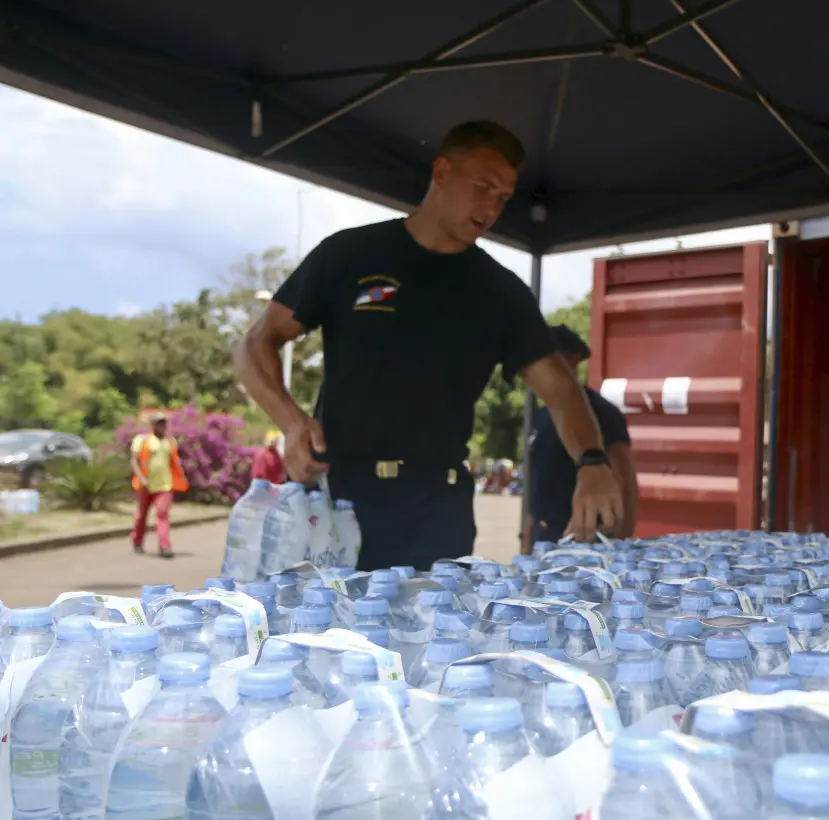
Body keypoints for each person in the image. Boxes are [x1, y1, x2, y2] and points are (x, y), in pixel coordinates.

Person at [234, 120, 623, 573]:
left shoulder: (500, 292)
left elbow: (561, 390)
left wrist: (593, 461)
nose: (492, 206)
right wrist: (292, 423)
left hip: (437, 512)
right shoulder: (351, 255)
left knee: (433, 641)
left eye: (503, 197)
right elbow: (256, 342)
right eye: (482, 187)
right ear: (441, 172)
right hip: (337, 501)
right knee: (318, 639)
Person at [524, 325, 639, 550]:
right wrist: (527, 540)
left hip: (585, 542)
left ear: (573, 360)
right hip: (543, 540)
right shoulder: (539, 416)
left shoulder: (602, 413)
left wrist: (621, 543)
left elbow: (625, 482)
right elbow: (536, 486)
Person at [129, 412, 188, 558]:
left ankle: (164, 546)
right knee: (141, 515)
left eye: (164, 423)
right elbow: (134, 461)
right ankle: (137, 541)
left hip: (164, 485)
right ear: (152, 425)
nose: (162, 426)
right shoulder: (142, 440)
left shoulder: (170, 441)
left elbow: (174, 462)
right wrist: (141, 478)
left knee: (162, 514)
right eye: (158, 423)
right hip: (145, 485)